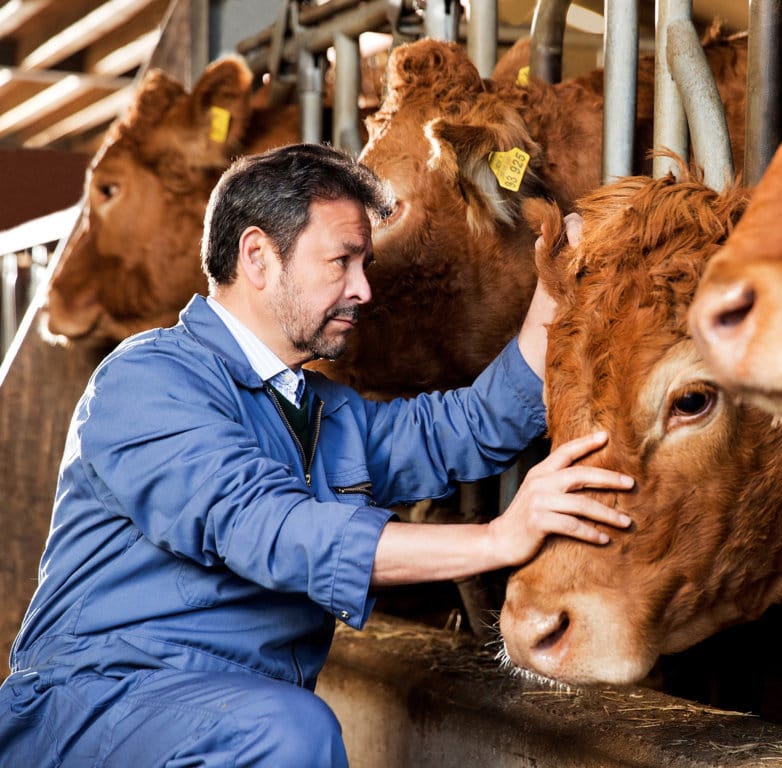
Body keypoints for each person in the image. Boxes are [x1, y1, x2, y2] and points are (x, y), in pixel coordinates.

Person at [0, 142, 631, 767]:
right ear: (257, 257)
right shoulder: (149, 380)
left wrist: (558, 288)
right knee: (286, 730)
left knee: (281, 723)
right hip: (93, 711)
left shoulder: (321, 410)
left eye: (366, 264)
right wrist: (497, 538)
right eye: (342, 262)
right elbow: (268, 527)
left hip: (216, 714)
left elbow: (466, 426)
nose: (363, 289)